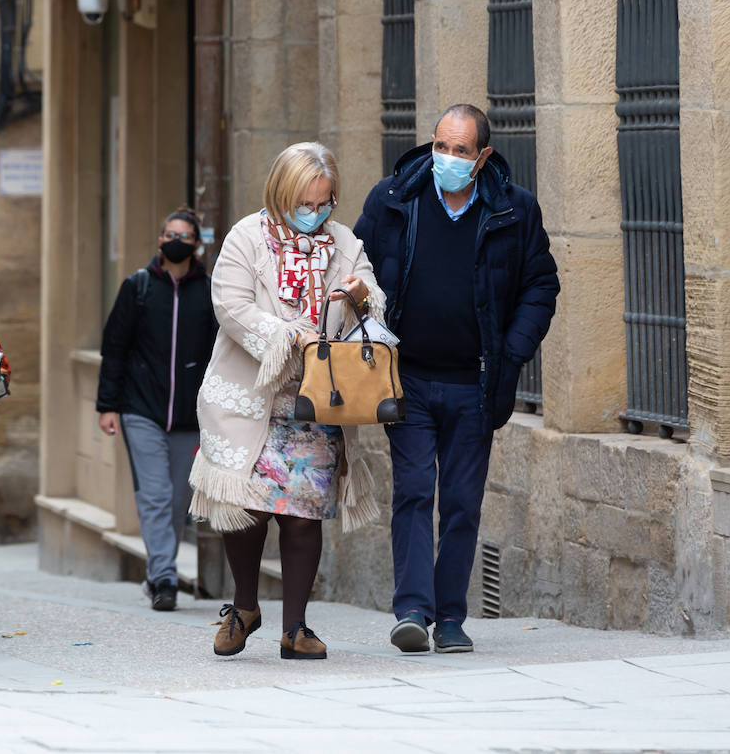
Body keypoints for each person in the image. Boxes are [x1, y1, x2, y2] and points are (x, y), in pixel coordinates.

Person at [354, 104, 558, 655]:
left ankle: (450, 617)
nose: (446, 157)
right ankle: (413, 611)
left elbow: (541, 287)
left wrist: (512, 354)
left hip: (476, 383)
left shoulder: (515, 211)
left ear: (482, 156)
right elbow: (355, 269)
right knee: (415, 490)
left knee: (463, 501)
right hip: (407, 380)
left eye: (460, 150)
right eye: (441, 145)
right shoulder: (393, 198)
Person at [190, 142, 380, 660]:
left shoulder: (343, 240)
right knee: (247, 510)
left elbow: (372, 301)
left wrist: (358, 295)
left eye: (325, 202)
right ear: (281, 194)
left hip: (314, 402)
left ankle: (295, 627)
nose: (315, 213)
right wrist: (286, 335)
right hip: (249, 398)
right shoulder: (245, 238)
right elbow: (229, 304)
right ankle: (245, 606)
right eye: (306, 202)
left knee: (303, 514)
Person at [96, 207, 218, 611]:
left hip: (189, 415)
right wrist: (108, 405)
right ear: (160, 241)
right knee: (155, 494)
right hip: (141, 410)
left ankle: (157, 571)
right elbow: (115, 348)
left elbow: (220, 354)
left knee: (178, 498)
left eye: (183, 235)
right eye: (169, 234)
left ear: (196, 243)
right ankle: (164, 577)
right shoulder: (139, 286)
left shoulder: (211, 291)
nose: (175, 240)